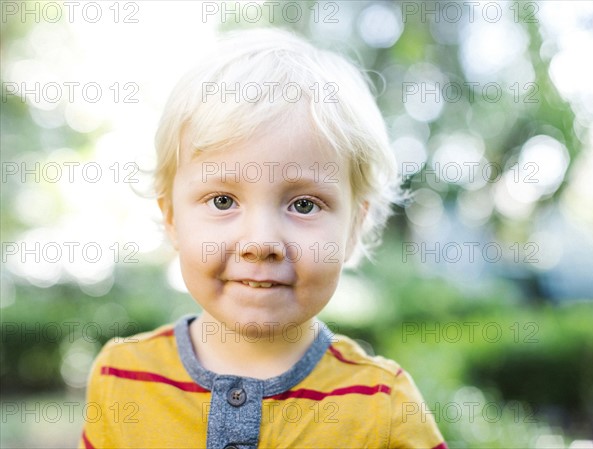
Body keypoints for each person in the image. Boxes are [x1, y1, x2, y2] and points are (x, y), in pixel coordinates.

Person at [79, 27, 446, 449]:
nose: (261, 241)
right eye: (222, 200)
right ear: (172, 219)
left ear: (353, 229)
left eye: (304, 205)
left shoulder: (385, 406)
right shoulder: (120, 377)